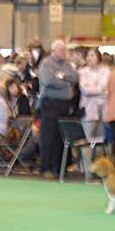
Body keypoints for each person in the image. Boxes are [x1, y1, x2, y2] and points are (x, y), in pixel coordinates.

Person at [37, 40, 79, 178]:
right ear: (53, 50)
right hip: (50, 105)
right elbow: (48, 81)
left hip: (64, 106)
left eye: (65, 50)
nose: (64, 53)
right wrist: (66, 84)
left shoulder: (67, 65)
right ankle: (46, 168)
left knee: (62, 137)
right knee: (49, 137)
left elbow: (75, 77)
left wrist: (63, 77)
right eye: (61, 50)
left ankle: (60, 167)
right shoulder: (46, 64)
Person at [78, 48, 110, 179]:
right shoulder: (81, 72)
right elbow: (85, 90)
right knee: (86, 141)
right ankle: (87, 172)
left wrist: (96, 89)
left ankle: (100, 172)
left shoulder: (106, 71)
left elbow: (105, 87)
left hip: (103, 110)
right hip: (87, 110)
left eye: (92, 55)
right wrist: (99, 90)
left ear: (98, 58)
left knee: (100, 141)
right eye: (88, 56)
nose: (90, 58)